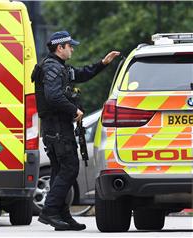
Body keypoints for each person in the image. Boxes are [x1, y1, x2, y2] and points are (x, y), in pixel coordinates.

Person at [32, 31, 120, 231]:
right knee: (70, 168)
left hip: (56, 127)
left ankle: (62, 215)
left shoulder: (59, 67)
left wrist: (103, 63)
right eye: (69, 46)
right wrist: (74, 109)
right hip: (57, 127)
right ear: (59, 47)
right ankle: (50, 211)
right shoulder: (52, 68)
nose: (72, 48)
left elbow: (80, 74)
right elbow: (53, 96)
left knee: (59, 170)